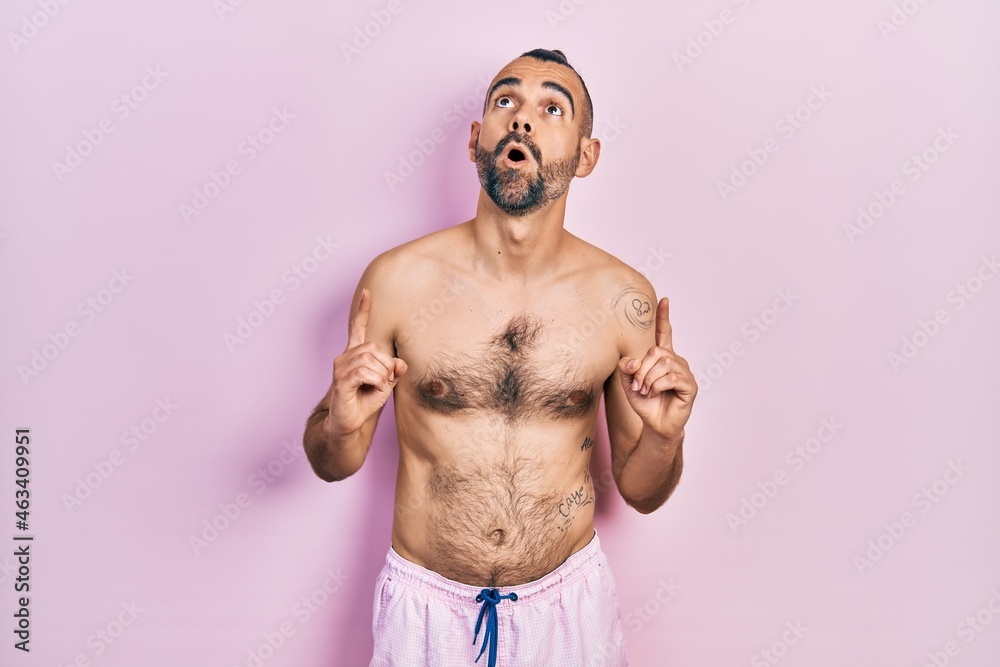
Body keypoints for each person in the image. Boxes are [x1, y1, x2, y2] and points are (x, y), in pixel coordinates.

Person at [303, 48, 697, 667]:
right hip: (426, 612)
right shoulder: (398, 282)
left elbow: (641, 490)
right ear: (475, 139)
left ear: (587, 155)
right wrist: (339, 424)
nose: (522, 120)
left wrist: (665, 439)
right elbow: (332, 463)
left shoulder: (622, 300)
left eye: (551, 108)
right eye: (505, 102)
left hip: (567, 612)